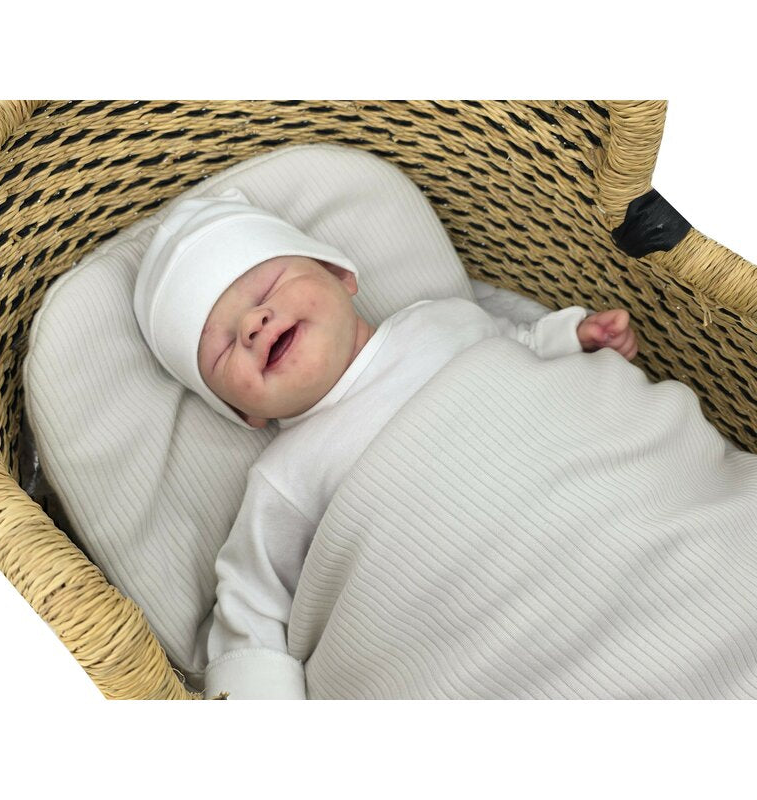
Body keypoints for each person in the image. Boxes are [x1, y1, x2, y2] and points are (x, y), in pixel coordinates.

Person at [134, 189, 638, 699]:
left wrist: (573, 338)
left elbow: (518, 347)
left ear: (339, 275)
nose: (252, 323)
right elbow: (251, 607)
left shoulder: (441, 318)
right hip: (485, 611)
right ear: (244, 412)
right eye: (223, 348)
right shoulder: (282, 477)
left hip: (597, 510)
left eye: (268, 286)